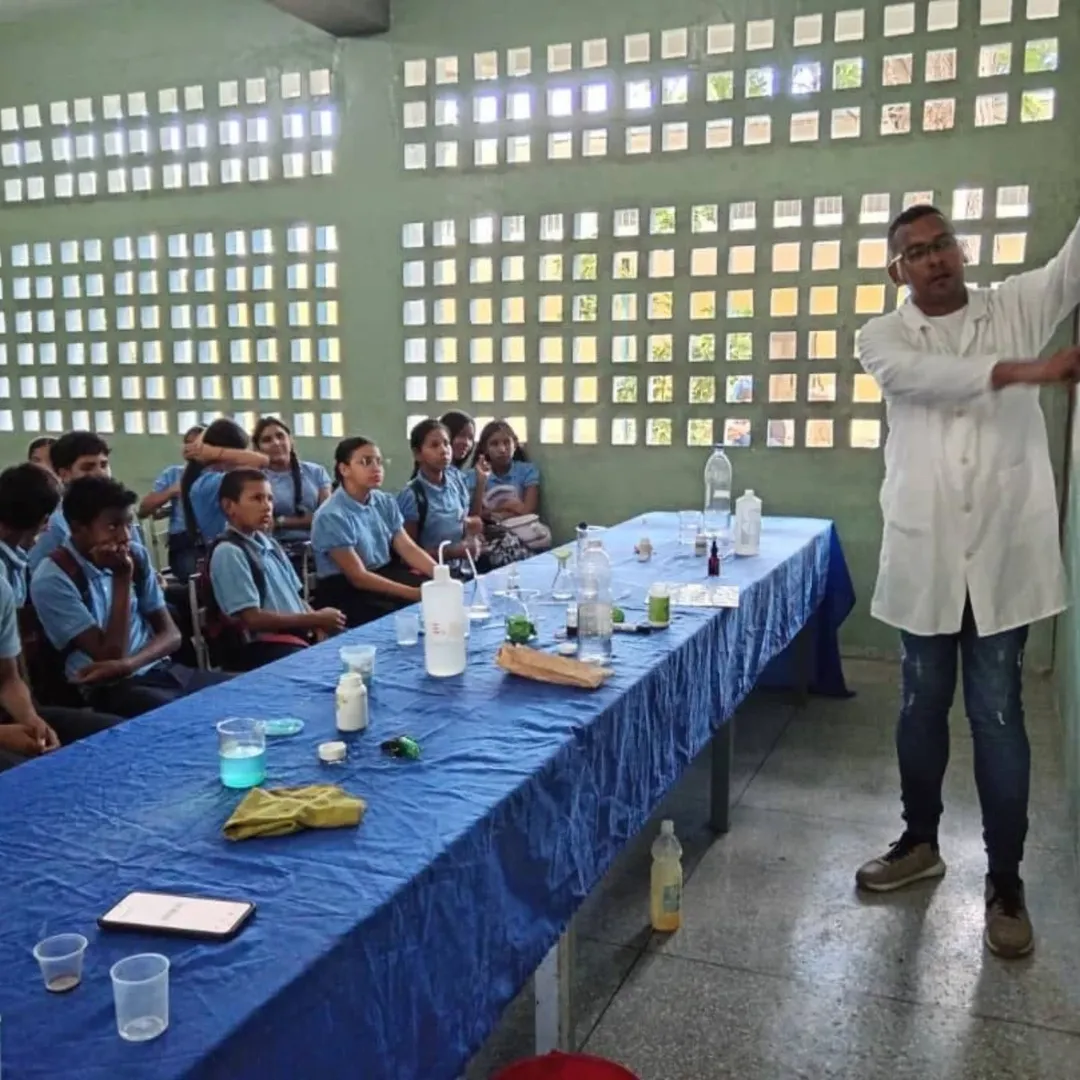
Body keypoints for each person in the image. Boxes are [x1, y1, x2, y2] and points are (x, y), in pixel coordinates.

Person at [854, 203, 1080, 960]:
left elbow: (1070, 267)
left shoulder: (1015, 305)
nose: (935, 258)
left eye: (942, 242)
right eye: (916, 252)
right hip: (928, 553)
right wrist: (1035, 371)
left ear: (959, 247)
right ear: (899, 271)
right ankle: (920, 842)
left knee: (999, 715)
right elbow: (932, 381)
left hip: (1005, 550)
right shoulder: (880, 337)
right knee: (921, 705)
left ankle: (1006, 881)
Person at [30, 476, 231, 718]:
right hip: (109, 689)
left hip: (159, 669)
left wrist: (130, 664)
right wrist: (122, 578)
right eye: (113, 526)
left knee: (238, 690)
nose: (125, 536)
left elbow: (171, 634)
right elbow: (111, 656)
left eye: (128, 523)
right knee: (189, 718)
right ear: (77, 529)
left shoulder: (134, 554)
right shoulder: (54, 578)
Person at [0, 464, 122, 753]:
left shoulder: (6, 581)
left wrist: (31, 719)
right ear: (44, 522)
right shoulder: (44, 574)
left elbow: (7, 677)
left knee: (115, 737)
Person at [208, 469, 345, 671]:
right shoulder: (229, 552)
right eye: (257, 498)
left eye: (270, 499)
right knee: (324, 669)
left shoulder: (270, 544)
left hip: (297, 635)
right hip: (263, 645)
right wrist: (315, 618)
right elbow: (252, 619)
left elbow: (297, 598)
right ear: (229, 506)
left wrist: (317, 624)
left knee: (352, 646)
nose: (267, 507)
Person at [311, 436, 435, 627]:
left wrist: (442, 574)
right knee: (411, 609)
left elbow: (408, 548)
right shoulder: (331, 515)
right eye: (366, 462)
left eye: (378, 461)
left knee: (437, 589)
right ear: (344, 469)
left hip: (383, 573)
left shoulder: (384, 501)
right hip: (347, 588)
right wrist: (414, 594)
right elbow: (358, 577)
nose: (375, 468)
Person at [27, 430, 116, 571]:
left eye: (104, 465)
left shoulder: (120, 517)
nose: (101, 474)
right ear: (64, 474)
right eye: (88, 467)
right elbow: (34, 574)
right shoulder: (55, 526)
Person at [398, 419, 484, 562]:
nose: (444, 450)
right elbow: (407, 556)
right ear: (417, 454)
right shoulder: (412, 496)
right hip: (431, 575)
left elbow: (467, 521)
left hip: (461, 570)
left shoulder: (456, 480)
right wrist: (451, 552)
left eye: (446, 443)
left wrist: (470, 529)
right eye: (434, 445)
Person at [180, 418, 270, 548]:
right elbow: (262, 461)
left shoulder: (210, 479)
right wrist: (213, 452)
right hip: (229, 551)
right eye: (240, 453)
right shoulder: (210, 482)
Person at [252, 416, 332, 552]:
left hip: (320, 549)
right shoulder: (255, 479)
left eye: (280, 436)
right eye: (267, 440)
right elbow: (261, 524)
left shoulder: (316, 472)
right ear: (258, 449)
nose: (276, 443)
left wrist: (281, 521)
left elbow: (327, 519)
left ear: (290, 440)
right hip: (277, 551)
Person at [137, 426, 205, 582]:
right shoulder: (173, 474)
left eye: (198, 443)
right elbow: (143, 510)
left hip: (216, 539)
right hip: (185, 541)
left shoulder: (219, 474)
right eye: (187, 443)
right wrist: (173, 491)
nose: (191, 447)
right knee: (194, 583)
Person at [466, 419, 541, 521]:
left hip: (521, 528)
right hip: (488, 532)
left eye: (507, 443)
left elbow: (528, 512)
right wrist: (508, 506)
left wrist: (493, 513)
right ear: (485, 448)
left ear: (514, 444)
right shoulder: (473, 475)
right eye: (494, 444)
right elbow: (475, 517)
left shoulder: (527, 471)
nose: (502, 449)